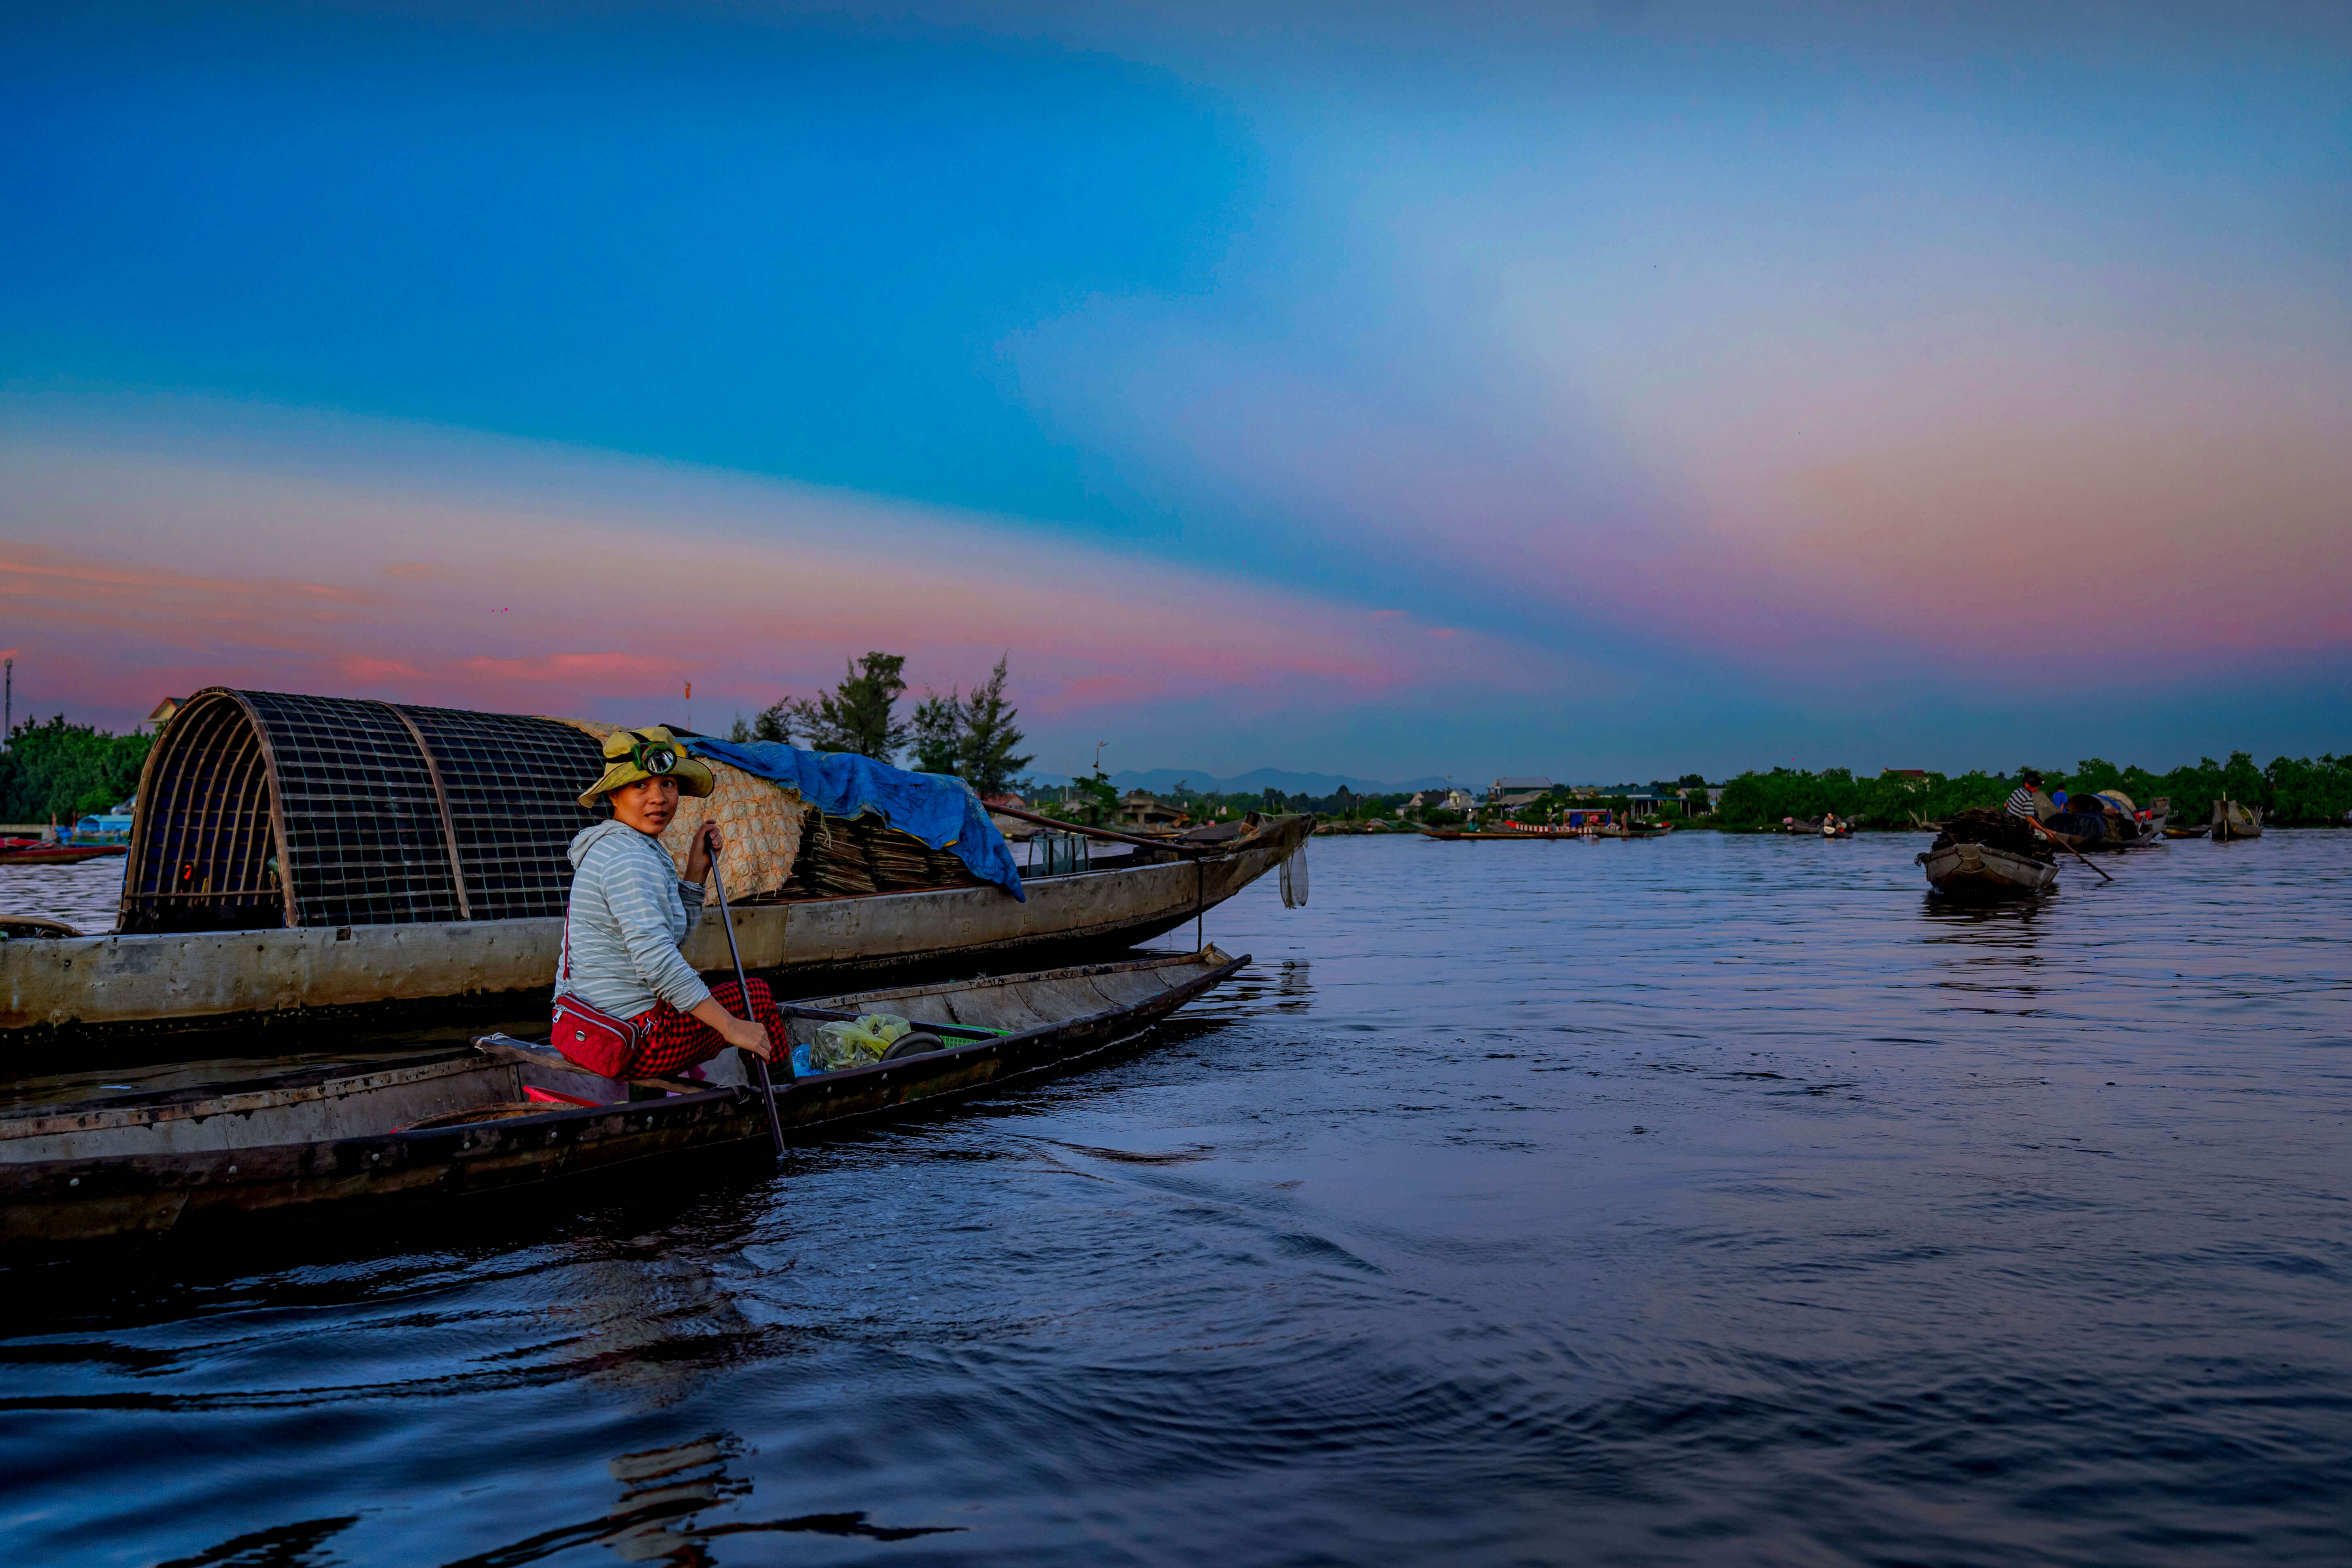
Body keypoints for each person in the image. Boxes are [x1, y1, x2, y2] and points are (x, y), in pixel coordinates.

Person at [557, 726, 785, 1078]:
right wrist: (731, 1027)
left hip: (589, 1028)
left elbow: (669, 937)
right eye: (640, 786)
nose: (658, 798)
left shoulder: (612, 846)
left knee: (710, 996)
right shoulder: (631, 859)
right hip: (635, 1042)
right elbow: (658, 961)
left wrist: (696, 872)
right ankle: (785, 1097)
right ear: (614, 795)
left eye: (668, 784)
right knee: (756, 998)